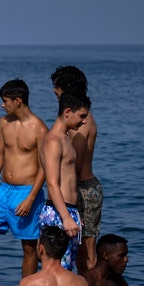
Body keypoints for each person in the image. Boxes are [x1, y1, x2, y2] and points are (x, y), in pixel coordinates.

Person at [0, 79, 48, 278]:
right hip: (3, 191)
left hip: (26, 192)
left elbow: (45, 166)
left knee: (29, 248)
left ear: (18, 101)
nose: (2, 105)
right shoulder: (3, 122)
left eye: (5, 101)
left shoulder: (39, 128)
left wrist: (31, 197)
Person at [51, 66, 101, 273]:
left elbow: (75, 165)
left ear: (68, 88)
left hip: (84, 190)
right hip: (78, 189)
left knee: (86, 253)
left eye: (57, 87)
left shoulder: (82, 122)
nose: (54, 91)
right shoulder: (76, 118)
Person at [38, 92, 90, 272]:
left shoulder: (65, 138)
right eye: (82, 116)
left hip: (68, 210)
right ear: (67, 112)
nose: (84, 121)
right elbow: (52, 183)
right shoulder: (53, 141)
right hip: (58, 212)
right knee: (57, 272)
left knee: (66, 270)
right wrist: (66, 217)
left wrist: (75, 214)